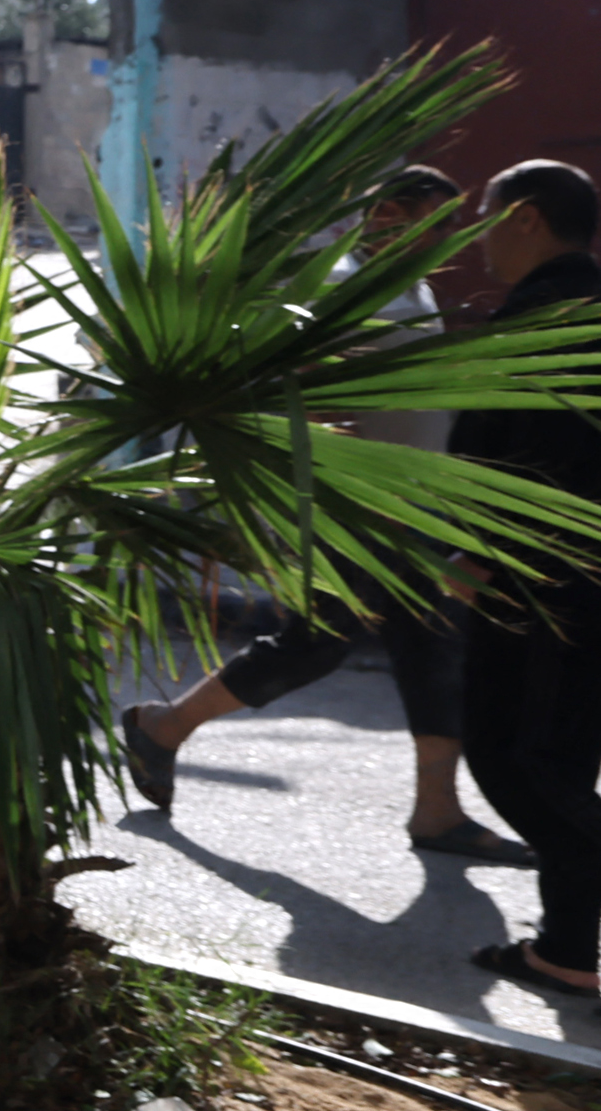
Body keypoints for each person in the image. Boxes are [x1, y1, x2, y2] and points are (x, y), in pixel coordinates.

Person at [119, 167, 526, 861]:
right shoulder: (340, 285)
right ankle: (164, 725)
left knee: (435, 653)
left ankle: (437, 810)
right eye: (437, 223)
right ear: (388, 213)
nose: (449, 242)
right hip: (357, 516)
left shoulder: (410, 285)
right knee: (318, 643)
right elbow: (293, 391)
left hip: (413, 512)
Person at [451, 158, 601, 1010]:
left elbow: (516, 456)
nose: (476, 240)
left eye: (485, 216)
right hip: (570, 573)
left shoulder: (542, 321)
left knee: (519, 757)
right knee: (562, 758)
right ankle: (569, 953)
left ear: (528, 217)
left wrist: (475, 556)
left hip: (543, 577)